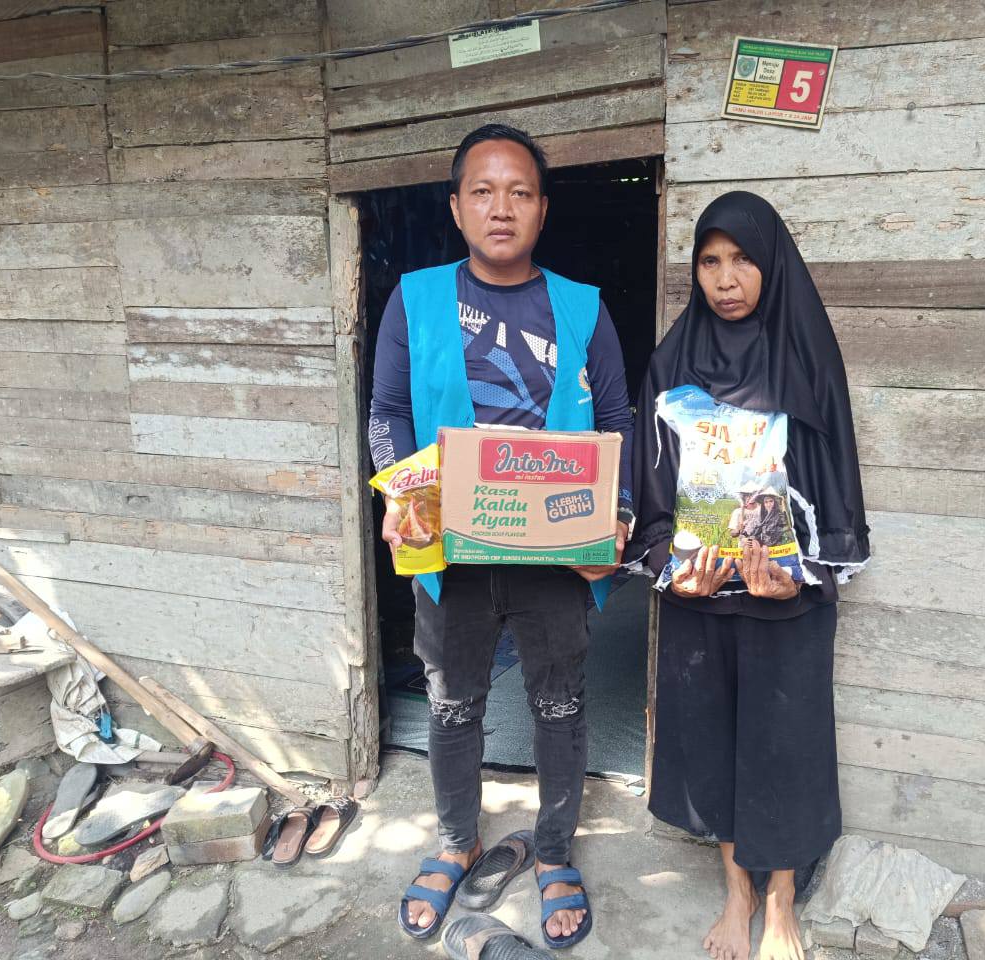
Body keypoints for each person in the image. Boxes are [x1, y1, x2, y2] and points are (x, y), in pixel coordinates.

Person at [368, 123, 634, 949]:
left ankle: (553, 851)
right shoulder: (415, 299)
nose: (501, 208)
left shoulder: (583, 309)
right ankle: (458, 841)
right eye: (482, 191)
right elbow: (387, 413)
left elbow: (618, 418)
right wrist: (402, 493)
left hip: (554, 555)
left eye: (519, 192)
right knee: (452, 704)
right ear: (456, 208)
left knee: (559, 703)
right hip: (450, 553)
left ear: (543, 209)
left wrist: (620, 513)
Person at [627, 191, 871, 960]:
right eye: (709, 261)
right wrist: (673, 569)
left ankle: (782, 899)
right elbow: (649, 491)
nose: (725, 279)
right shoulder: (671, 364)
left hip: (787, 599)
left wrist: (802, 575)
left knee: (784, 744)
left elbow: (836, 487)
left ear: (772, 265)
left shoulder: (807, 359)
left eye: (742, 260)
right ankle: (737, 892)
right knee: (713, 741)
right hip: (700, 597)